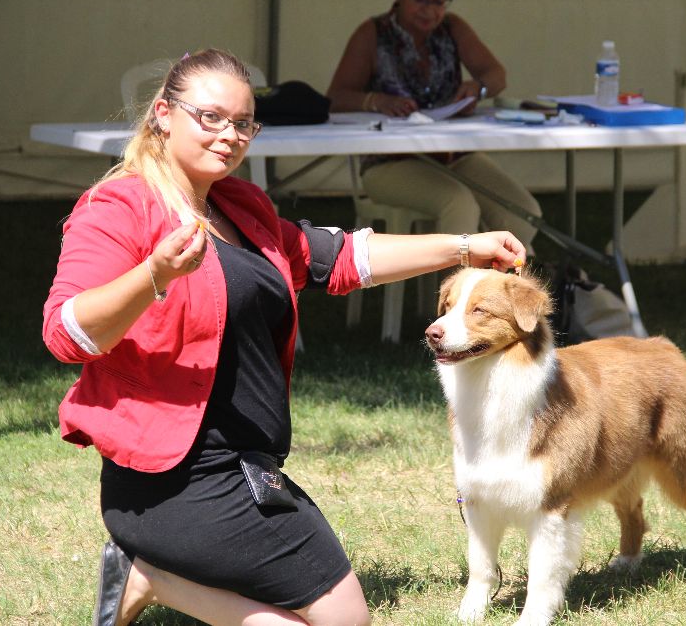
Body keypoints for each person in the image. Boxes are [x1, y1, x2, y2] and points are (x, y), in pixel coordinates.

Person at [41, 48, 525, 626]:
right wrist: (154, 276)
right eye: (210, 117)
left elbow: (345, 257)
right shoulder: (118, 208)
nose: (229, 135)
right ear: (164, 115)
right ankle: (151, 574)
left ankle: (148, 577)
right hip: (169, 478)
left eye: (244, 123)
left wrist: (467, 247)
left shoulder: (241, 206)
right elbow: (65, 332)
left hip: (247, 464)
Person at [326, 0, 542, 255]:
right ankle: (455, 298)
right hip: (389, 162)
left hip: (452, 155)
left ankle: (491, 287)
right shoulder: (373, 34)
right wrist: (376, 100)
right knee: (459, 203)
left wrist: (477, 89)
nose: (429, 10)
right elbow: (336, 97)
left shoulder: (452, 28)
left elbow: (497, 75)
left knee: (523, 210)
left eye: (439, 1)